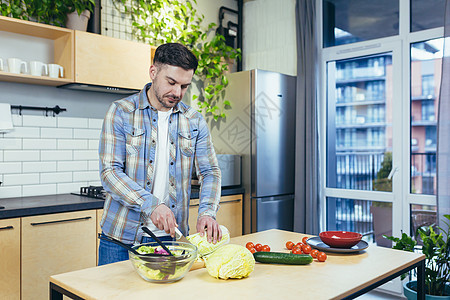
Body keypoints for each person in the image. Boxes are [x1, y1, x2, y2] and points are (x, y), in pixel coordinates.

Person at [98, 43, 222, 265]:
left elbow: (210, 171)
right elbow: (110, 172)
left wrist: (207, 212)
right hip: (121, 239)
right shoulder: (121, 112)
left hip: (172, 240)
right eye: (171, 82)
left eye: (184, 86)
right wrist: (152, 204)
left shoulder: (194, 121)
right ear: (153, 72)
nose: (177, 93)